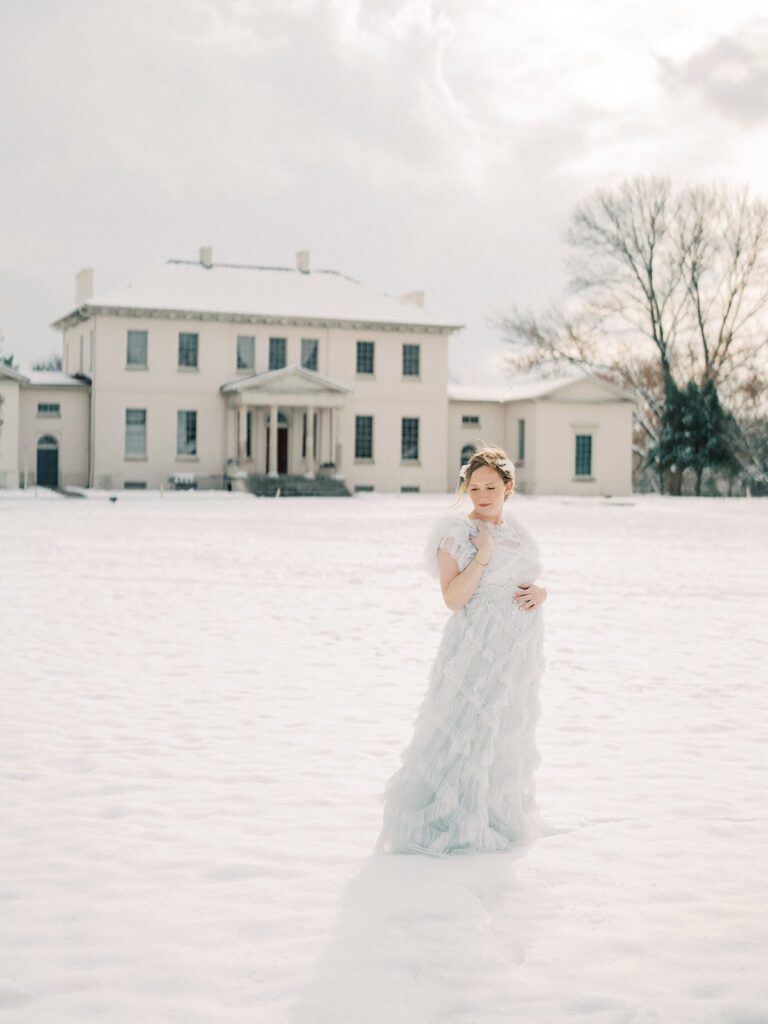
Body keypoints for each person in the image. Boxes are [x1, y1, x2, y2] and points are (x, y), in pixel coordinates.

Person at [375, 445, 549, 856]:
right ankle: (452, 817)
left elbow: (526, 577)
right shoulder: (454, 534)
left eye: (491, 487)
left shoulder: (519, 530)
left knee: (503, 730)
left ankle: (492, 810)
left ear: (509, 486)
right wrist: (483, 558)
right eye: (474, 489)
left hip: (517, 650)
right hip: (477, 646)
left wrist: (542, 592)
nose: (483, 496)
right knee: (465, 727)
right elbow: (453, 598)